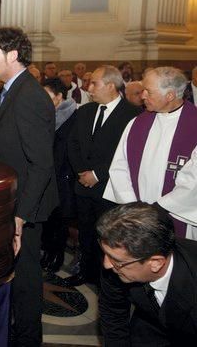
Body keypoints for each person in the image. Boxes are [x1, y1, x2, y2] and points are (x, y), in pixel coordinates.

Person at [0, 27, 58, 346]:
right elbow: (4, 145)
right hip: (16, 200)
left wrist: (20, 218)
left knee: (25, 280)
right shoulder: (10, 90)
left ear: (12, 55)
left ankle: (27, 339)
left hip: (27, 204)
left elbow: (41, 164)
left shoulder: (29, 97)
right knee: (16, 276)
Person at [66, 65, 141, 287]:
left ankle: (106, 279)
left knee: (110, 235)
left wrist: (97, 174)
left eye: (94, 84)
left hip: (109, 187)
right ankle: (86, 271)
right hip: (83, 185)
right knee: (87, 232)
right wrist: (81, 172)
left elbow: (127, 152)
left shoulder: (133, 115)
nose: (89, 88)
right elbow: (73, 143)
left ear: (110, 85)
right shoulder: (85, 111)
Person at [104, 67, 197, 239]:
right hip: (136, 215)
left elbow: (194, 181)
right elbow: (119, 166)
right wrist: (133, 206)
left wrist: (159, 208)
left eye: (149, 91)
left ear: (170, 96)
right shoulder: (137, 123)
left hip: (177, 215)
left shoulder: (194, 125)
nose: (143, 96)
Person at [97, 202, 197, 346]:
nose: (106, 264)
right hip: (149, 327)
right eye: (106, 254)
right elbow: (113, 312)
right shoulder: (117, 260)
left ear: (156, 262)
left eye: (116, 260)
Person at [40, 78, 78, 273]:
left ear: (59, 97)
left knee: (60, 218)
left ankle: (57, 254)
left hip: (63, 175)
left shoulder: (73, 116)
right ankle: (47, 250)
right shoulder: (45, 115)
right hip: (46, 172)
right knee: (47, 217)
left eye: (46, 96)